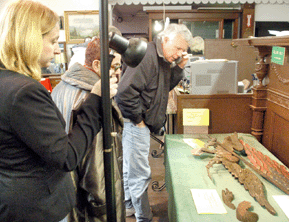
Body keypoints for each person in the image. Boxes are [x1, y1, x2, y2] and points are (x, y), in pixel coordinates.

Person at [0, 0, 117, 221]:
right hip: (36, 208)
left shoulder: (7, 82)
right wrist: (96, 100)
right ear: (30, 39)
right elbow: (66, 157)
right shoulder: (24, 92)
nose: (57, 48)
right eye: (53, 40)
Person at [115, 23, 193, 222]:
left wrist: (179, 68)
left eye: (183, 51)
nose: (179, 54)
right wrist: (138, 120)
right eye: (178, 49)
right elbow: (124, 93)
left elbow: (164, 87)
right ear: (165, 39)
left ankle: (129, 207)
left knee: (130, 169)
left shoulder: (163, 59)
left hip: (140, 124)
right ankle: (144, 217)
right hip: (135, 124)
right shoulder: (147, 56)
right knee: (139, 175)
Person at [51, 34, 125, 222]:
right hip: (92, 206)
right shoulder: (95, 99)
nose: (118, 73)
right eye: (115, 66)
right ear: (97, 66)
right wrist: (104, 206)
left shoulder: (62, 85)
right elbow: (97, 166)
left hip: (67, 195)